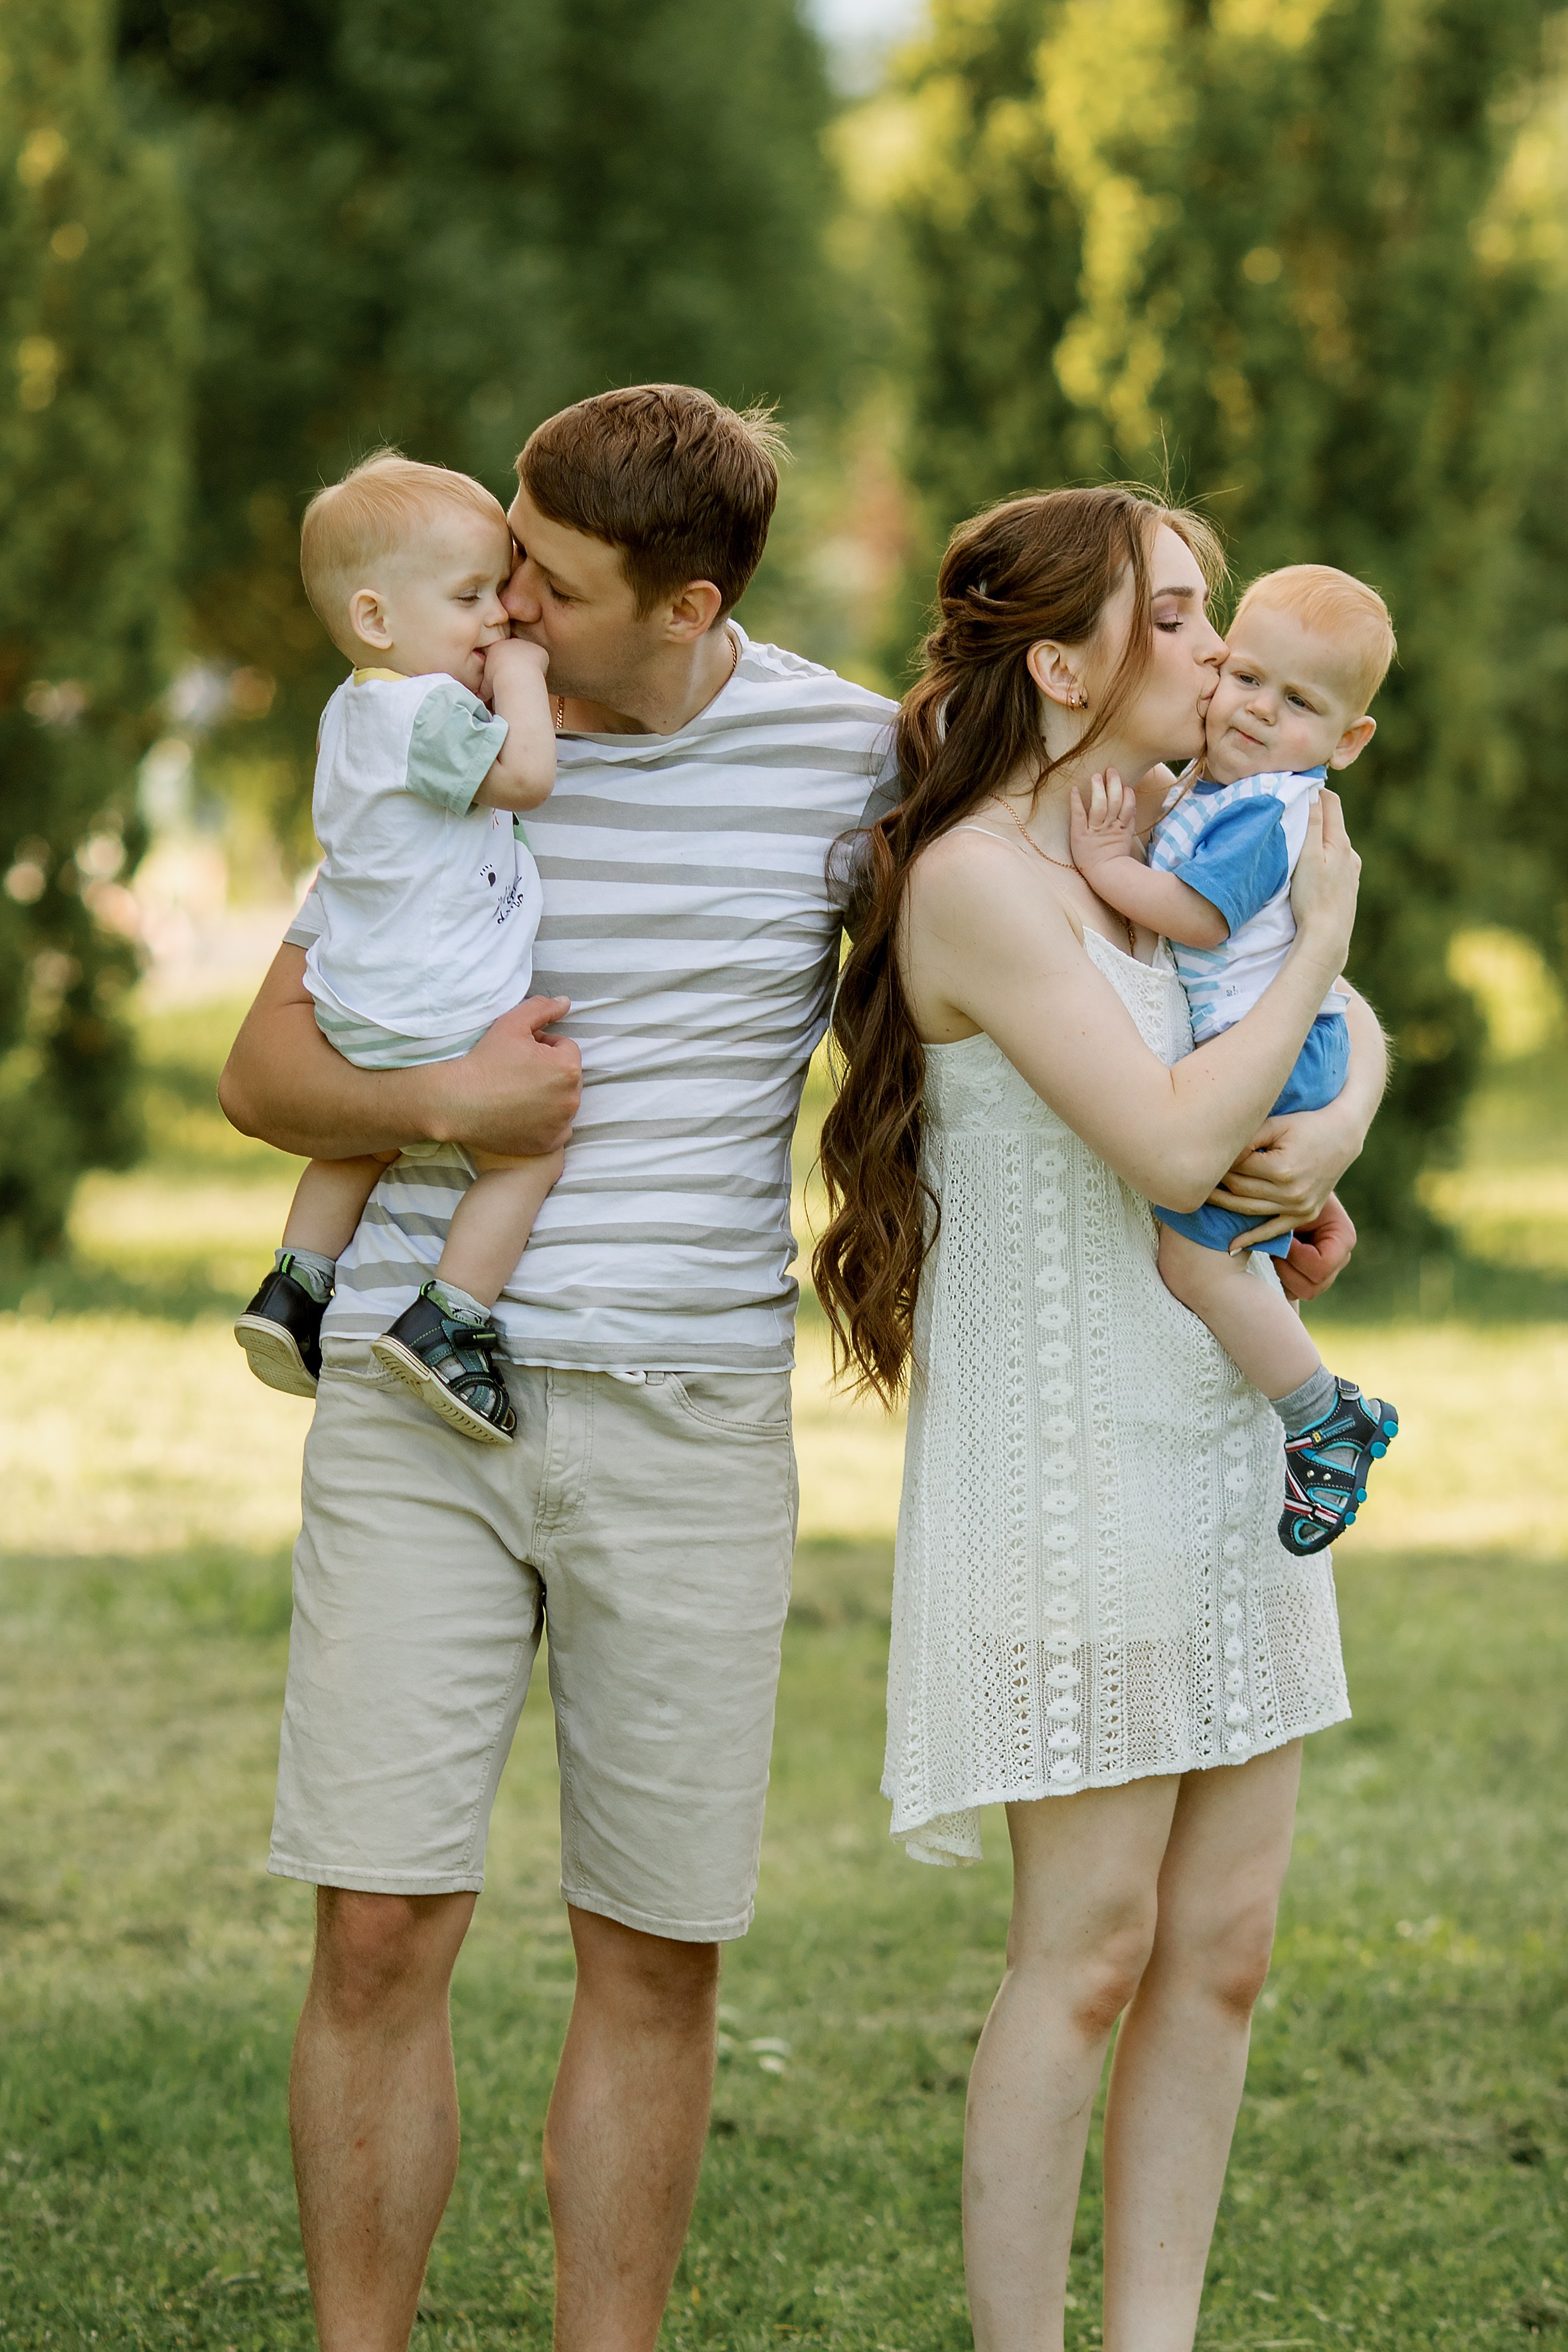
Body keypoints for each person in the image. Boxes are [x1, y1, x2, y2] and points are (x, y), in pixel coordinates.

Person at [218, 384, 905, 2352]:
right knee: (376, 1928)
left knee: (657, 1953)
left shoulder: (842, 758)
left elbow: (1018, 978)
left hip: (685, 1417)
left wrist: (1277, 1149)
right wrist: (453, 1102)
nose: (501, 588)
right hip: (409, 1413)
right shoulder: (433, 732)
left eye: (554, 574)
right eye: (505, 537)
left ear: (689, 606)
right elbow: (267, 1068)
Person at [814, 487, 1385, 2352]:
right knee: (1085, 1962)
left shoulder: (1169, 839)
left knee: (1218, 1958)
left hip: (1230, 1447)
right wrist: (1321, 943)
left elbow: (1314, 1053)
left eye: (1214, 612)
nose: (1217, 653)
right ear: (1061, 662)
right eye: (1177, 613)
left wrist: (1335, 1110)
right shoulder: (983, 877)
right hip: (1068, 1467)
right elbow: (1161, 1137)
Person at [1069, 563, 1399, 1554]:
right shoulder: (1221, 788)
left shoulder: (1267, 810)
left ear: (1344, 742)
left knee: (1194, 1252)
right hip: (1275, 1046)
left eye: (1296, 702)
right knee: (1228, 1245)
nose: (1256, 711)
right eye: (1247, 677)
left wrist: (1108, 866)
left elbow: (1200, 918)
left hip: (1280, 1056)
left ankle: (1320, 1415)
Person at [232, 451, 561, 1443]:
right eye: (471, 597)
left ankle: (295, 1287)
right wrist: (524, 676)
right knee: (524, 1155)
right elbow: (528, 776)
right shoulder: (429, 710)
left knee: (359, 1140)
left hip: (356, 994)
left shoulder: (352, 709)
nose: (500, 615)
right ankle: (450, 1320)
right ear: (378, 618)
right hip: (438, 1001)